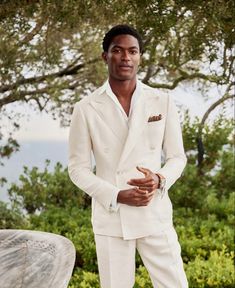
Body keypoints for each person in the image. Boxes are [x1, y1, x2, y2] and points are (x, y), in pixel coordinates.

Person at [68, 24, 188, 288]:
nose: (126, 57)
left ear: (140, 56)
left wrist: (159, 178)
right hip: (112, 217)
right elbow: (77, 169)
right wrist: (117, 195)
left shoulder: (162, 101)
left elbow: (178, 157)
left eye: (133, 51)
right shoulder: (86, 108)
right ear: (105, 56)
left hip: (153, 211)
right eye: (118, 50)